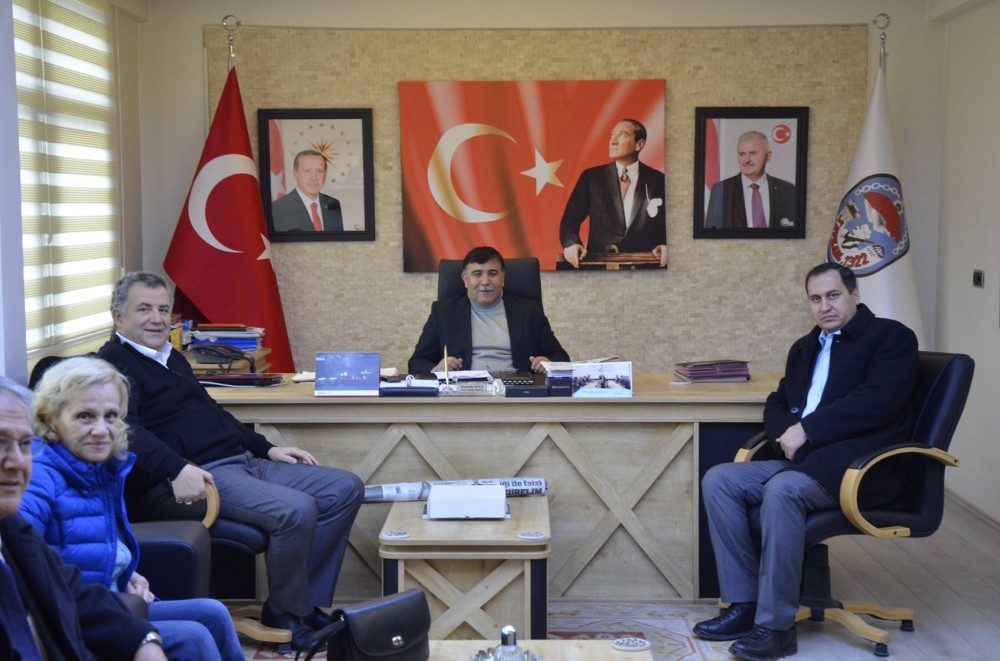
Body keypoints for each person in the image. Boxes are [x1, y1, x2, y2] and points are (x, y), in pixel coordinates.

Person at [98, 271, 364, 651]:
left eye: (163, 310)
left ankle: (301, 607)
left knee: (344, 488)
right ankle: (289, 615)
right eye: (144, 310)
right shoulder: (113, 366)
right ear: (118, 316)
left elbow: (215, 413)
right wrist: (176, 468)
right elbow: (126, 431)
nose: (157, 319)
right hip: (196, 477)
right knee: (296, 509)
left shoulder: (171, 356)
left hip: (242, 460)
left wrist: (266, 448)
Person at [693, 263, 918, 661]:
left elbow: (877, 401)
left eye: (833, 296)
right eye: (815, 299)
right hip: (805, 464)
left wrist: (808, 430)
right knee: (720, 480)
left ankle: (777, 628)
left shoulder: (892, 337)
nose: (824, 306)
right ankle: (744, 605)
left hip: (858, 469)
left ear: (855, 295)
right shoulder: (805, 346)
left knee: (783, 489)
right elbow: (778, 401)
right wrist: (789, 436)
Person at [20, 356, 243, 661]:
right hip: (75, 623)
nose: (101, 430)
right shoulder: (38, 479)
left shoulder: (99, 468)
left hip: (113, 604)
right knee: (194, 637)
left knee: (213, 613)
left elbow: (87, 547)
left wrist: (124, 572)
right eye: (85, 416)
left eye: (111, 416)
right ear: (50, 419)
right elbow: (25, 568)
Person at [0, 376, 167, 661]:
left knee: (209, 616)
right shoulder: (38, 488)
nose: (17, 461)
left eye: (25, 443)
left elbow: (69, 590)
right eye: (0, 443)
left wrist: (143, 639)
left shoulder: (11, 527)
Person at [408, 246, 570, 374]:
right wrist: (438, 369)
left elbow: (561, 357)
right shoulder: (443, 312)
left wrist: (548, 363)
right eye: (477, 274)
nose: (485, 281)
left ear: (502, 278)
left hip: (517, 392)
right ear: (465, 279)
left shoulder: (529, 311)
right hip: (463, 392)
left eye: (492, 273)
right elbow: (417, 363)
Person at [559, 119, 667, 268]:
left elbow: (669, 223)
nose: (613, 141)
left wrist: (665, 243)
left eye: (622, 135)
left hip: (645, 269)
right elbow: (569, 221)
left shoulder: (658, 180)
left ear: (639, 144)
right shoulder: (591, 177)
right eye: (612, 135)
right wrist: (572, 244)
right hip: (599, 269)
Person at [705, 130, 797, 230]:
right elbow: (711, 234)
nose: (746, 160)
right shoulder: (721, 190)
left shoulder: (787, 189)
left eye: (753, 153)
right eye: (742, 154)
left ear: (768, 156)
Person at [270, 149, 344, 232]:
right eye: (307, 171)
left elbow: (337, 238)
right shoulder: (279, 208)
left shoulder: (333, 204)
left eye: (319, 171)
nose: (314, 178)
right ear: (295, 174)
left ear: (325, 174)